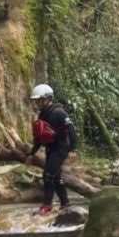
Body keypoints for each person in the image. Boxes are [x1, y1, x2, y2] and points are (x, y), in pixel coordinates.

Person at [25, 84, 78, 216]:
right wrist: (31, 154)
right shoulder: (42, 115)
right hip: (51, 148)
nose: (37, 103)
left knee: (48, 176)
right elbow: (39, 138)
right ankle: (65, 203)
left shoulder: (59, 112)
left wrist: (72, 149)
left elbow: (72, 131)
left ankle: (46, 206)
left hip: (61, 148)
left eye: (39, 100)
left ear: (48, 98)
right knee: (55, 177)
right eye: (35, 101)